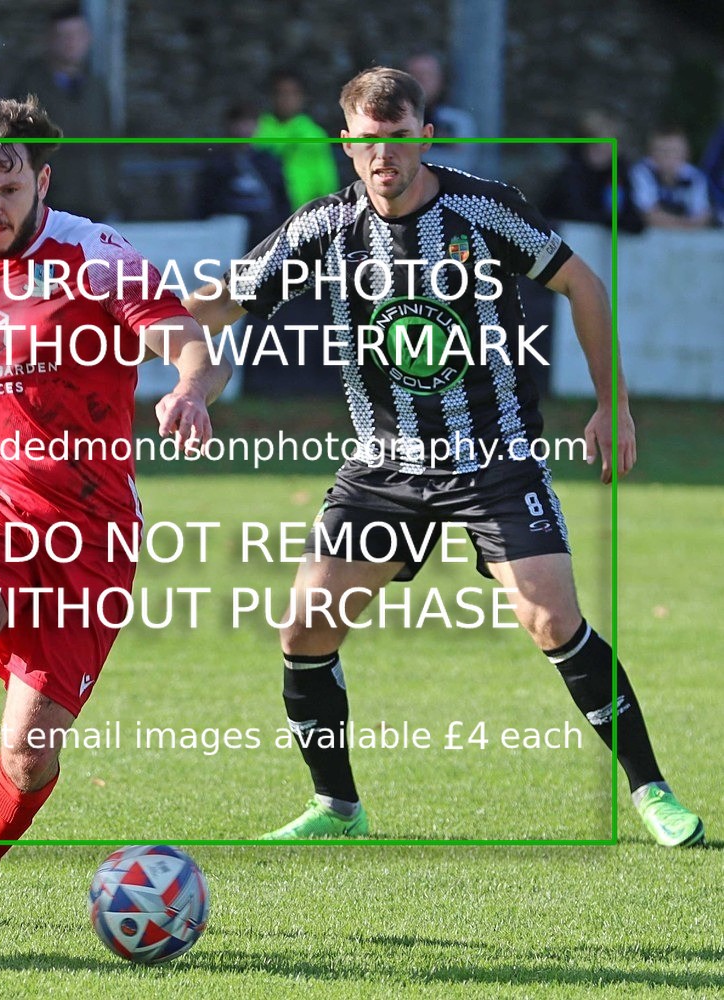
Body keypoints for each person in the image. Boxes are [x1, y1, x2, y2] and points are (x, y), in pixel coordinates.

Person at [184, 67, 704, 847]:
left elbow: (584, 285)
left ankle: (652, 790)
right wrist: (153, 349)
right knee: (304, 628)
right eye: (369, 141)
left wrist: (611, 402)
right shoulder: (323, 227)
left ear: (424, 137)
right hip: (383, 466)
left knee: (552, 617)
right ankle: (338, 809)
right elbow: (220, 304)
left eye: (399, 139)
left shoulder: (481, 209)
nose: (384, 156)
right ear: (346, 144)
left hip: (492, 455)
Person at [0, 95, 230, 927]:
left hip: (89, 526)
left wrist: (188, 388)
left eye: (7, 191)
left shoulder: (96, 256)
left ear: (42, 179)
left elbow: (190, 340)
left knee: (30, 754)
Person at [1, 3, 113, 219]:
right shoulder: (29, 88)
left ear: (88, 38)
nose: (71, 43)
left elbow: (109, 144)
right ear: (50, 40)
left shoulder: (97, 88)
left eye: (77, 35)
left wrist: (110, 191)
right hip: (49, 207)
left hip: (95, 203)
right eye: (63, 36)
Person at [196, 100, 291, 246]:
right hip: (228, 233)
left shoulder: (267, 161)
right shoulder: (218, 163)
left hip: (264, 231)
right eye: (239, 122)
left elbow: (281, 199)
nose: (244, 128)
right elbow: (204, 201)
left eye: (249, 122)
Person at [541, 110, 644, 232]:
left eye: (608, 144)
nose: (601, 149)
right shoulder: (570, 174)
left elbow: (632, 218)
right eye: (595, 143)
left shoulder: (619, 175)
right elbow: (576, 212)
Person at [255, 69, 340, 209]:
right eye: (281, 93)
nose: (286, 99)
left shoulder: (313, 133)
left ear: (302, 97)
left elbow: (326, 176)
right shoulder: (257, 129)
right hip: (265, 209)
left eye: (292, 93)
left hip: (302, 211)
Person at [403, 50, 477, 173]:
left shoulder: (456, 123)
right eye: (414, 75)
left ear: (440, 79)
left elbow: (462, 163)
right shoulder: (388, 120)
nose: (421, 81)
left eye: (427, 75)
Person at [629, 125, 712, 229]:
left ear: (686, 154)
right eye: (663, 151)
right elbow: (647, 214)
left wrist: (685, 225)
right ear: (651, 153)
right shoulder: (641, 172)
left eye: (675, 151)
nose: (669, 157)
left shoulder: (695, 177)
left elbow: (702, 215)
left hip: (686, 237)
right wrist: (686, 225)